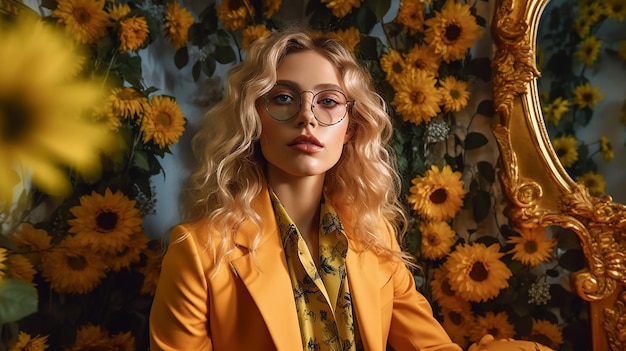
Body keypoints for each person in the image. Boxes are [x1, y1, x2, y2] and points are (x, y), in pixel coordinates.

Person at [149, 28, 463, 351]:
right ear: (252, 119)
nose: (306, 118)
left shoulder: (375, 234)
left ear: (351, 127)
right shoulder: (198, 252)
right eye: (284, 98)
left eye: (328, 101)